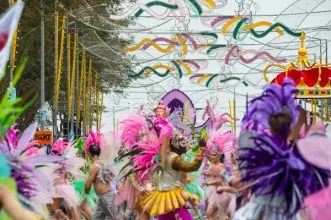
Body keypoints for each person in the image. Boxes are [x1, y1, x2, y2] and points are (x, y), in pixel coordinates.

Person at [141, 131, 207, 220]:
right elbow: (193, 167)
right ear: (175, 145)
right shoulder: (175, 159)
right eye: (184, 143)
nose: (187, 145)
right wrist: (202, 149)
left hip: (164, 195)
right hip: (171, 196)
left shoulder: (167, 156)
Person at [85, 144, 118, 220]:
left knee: (114, 217)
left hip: (106, 196)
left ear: (89, 154)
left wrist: (86, 191)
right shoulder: (103, 163)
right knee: (96, 218)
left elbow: (88, 184)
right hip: (102, 197)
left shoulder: (94, 167)